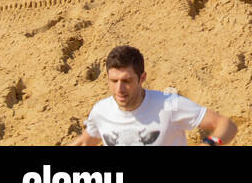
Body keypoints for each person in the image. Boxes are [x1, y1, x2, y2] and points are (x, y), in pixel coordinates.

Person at [71, 45, 236, 146]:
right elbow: (85, 142)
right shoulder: (101, 111)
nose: (119, 89)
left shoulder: (169, 105)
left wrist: (209, 143)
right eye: (113, 81)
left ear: (142, 78)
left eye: (126, 81)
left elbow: (226, 125)